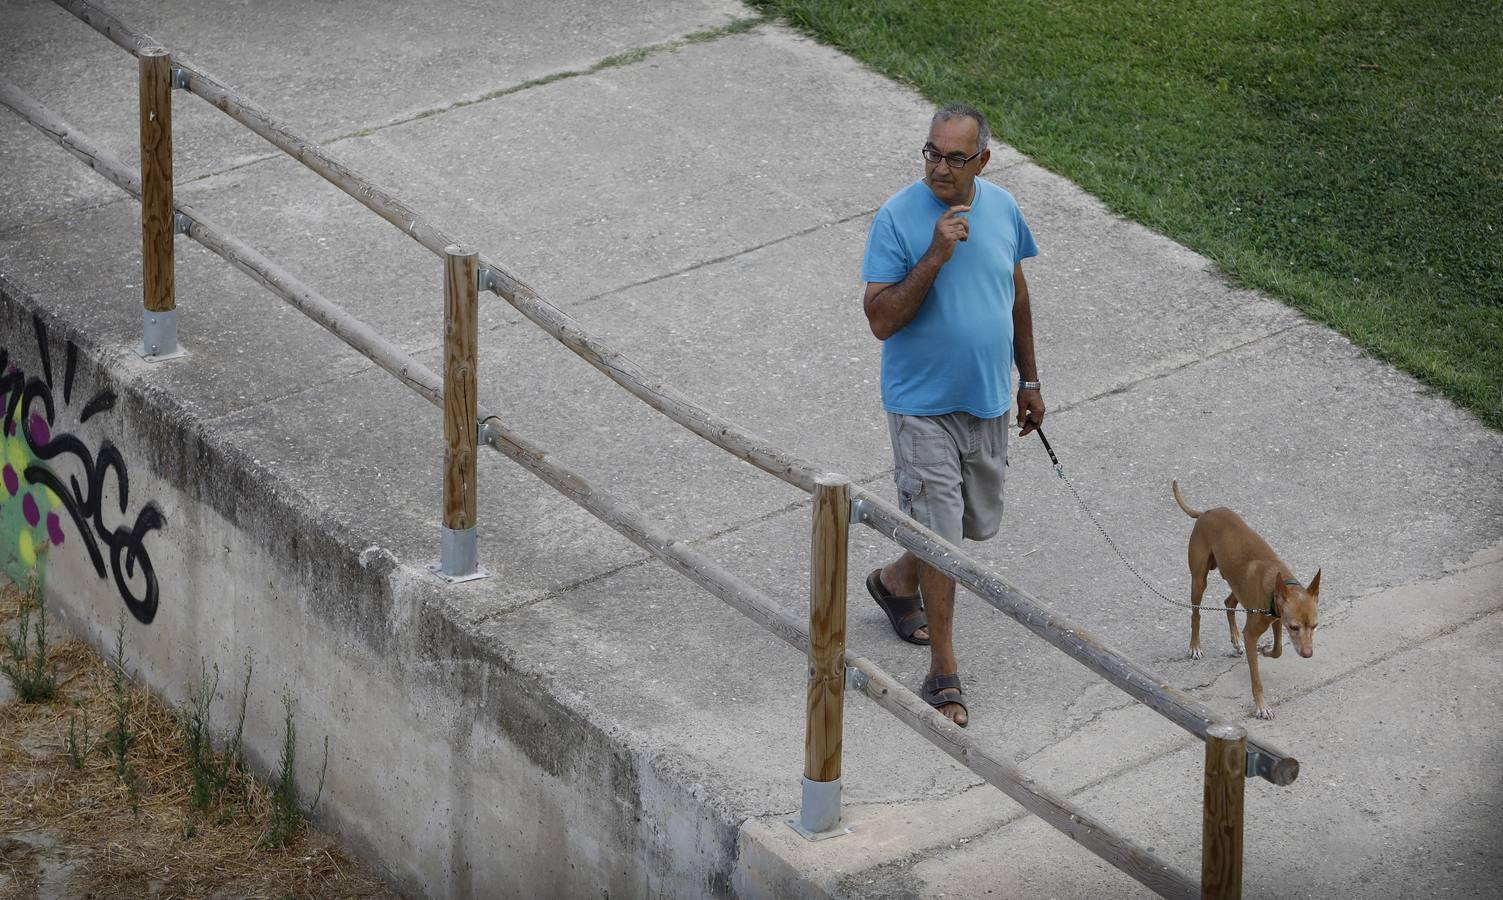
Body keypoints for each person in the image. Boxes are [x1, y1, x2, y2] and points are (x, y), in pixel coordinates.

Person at [860, 103, 1043, 727]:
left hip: (988, 401)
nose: (940, 166)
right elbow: (880, 319)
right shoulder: (898, 217)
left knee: (967, 530)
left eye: (955, 157)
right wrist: (934, 255)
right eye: (932, 153)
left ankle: (893, 582)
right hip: (921, 408)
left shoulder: (1003, 209)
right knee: (943, 539)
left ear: (982, 162)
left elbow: (1015, 295)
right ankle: (943, 672)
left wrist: (1031, 380)